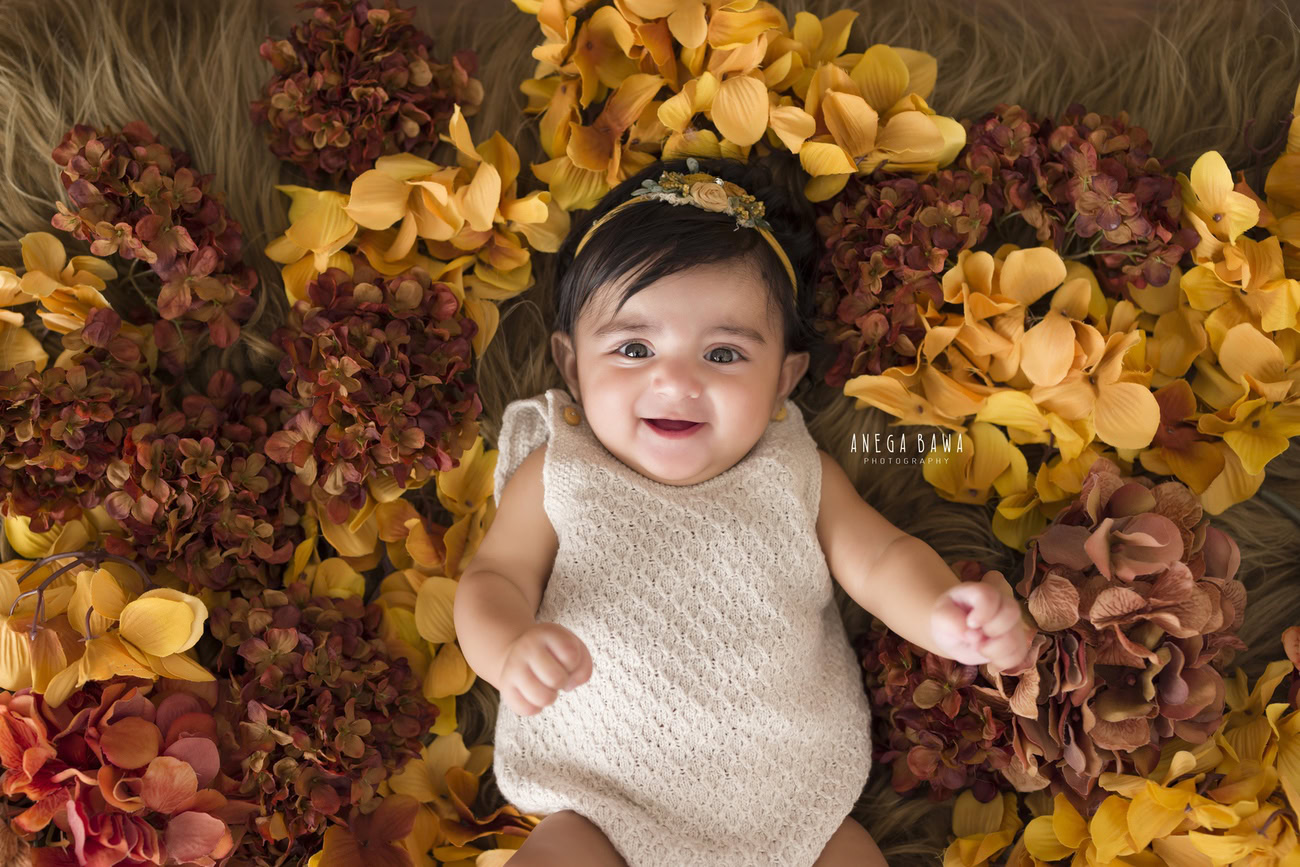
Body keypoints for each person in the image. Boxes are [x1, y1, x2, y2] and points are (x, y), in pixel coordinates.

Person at [453, 155, 1035, 867]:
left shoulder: (793, 473)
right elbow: (493, 579)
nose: (675, 379)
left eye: (723, 353)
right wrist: (508, 644)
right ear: (573, 366)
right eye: (634, 347)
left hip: (793, 813)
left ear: (783, 379)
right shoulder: (562, 471)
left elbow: (882, 560)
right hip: (602, 808)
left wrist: (943, 611)